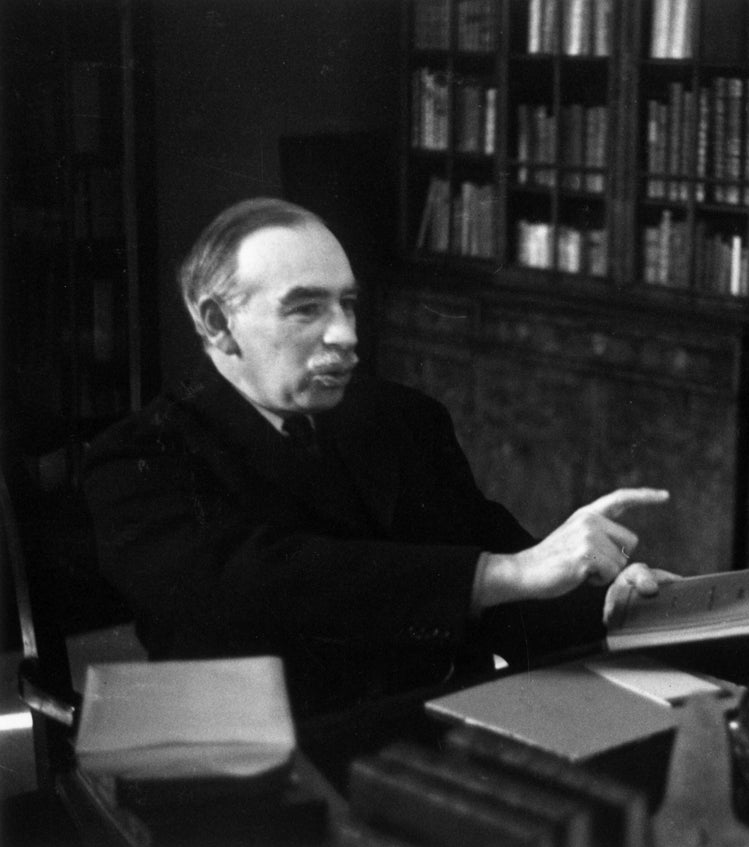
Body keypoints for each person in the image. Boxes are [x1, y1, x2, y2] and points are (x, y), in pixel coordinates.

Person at [84, 197, 674, 716]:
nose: (346, 335)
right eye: (306, 309)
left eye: (348, 304)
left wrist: (610, 606)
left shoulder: (404, 418)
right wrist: (505, 573)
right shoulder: (138, 461)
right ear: (218, 324)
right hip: (269, 771)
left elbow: (507, 566)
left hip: (449, 726)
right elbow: (259, 591)